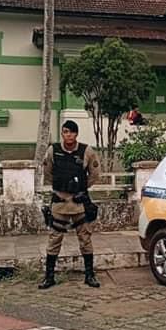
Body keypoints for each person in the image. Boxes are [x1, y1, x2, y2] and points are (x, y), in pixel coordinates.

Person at [39, 120, 102, 290]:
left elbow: (95, 174)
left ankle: (89, 275)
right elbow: (48, 173)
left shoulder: (86, 151)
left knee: (85, 239)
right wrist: (62, 187)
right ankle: (49, 277)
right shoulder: (53, 150)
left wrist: (81, 187)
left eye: (72, 132)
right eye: (65, 132)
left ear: (76, 134)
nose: (68, 135)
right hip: (59, 203)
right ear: (62, 133)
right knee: (54, 239)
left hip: (79, 204)